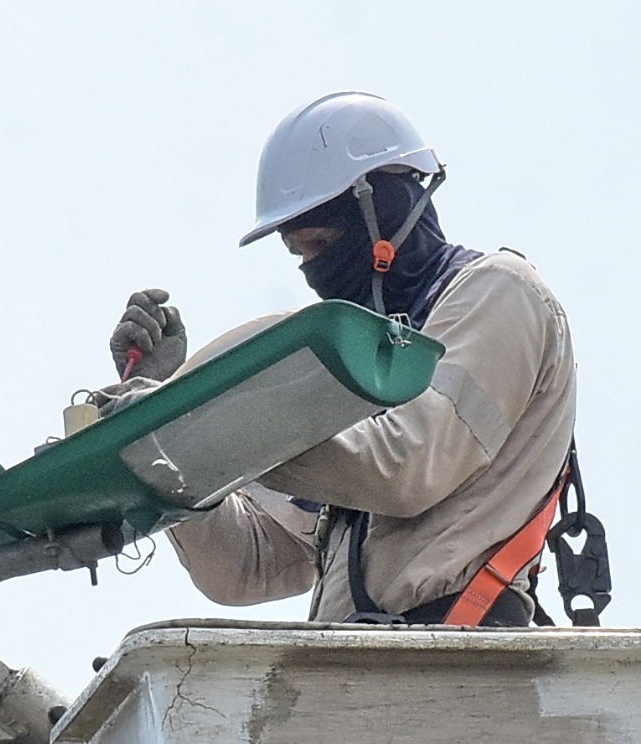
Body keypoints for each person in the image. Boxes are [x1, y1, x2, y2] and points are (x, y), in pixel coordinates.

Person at [106, 93, 579, 627]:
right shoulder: (363, 373)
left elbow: (405, 468)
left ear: (383, 216)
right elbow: (248, 565)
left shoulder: (499, 292)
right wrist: (165, 425)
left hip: (460, 651)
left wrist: (202, 424)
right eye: (299, 253)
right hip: (356, 669)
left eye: (322, 243)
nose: (313, 269)